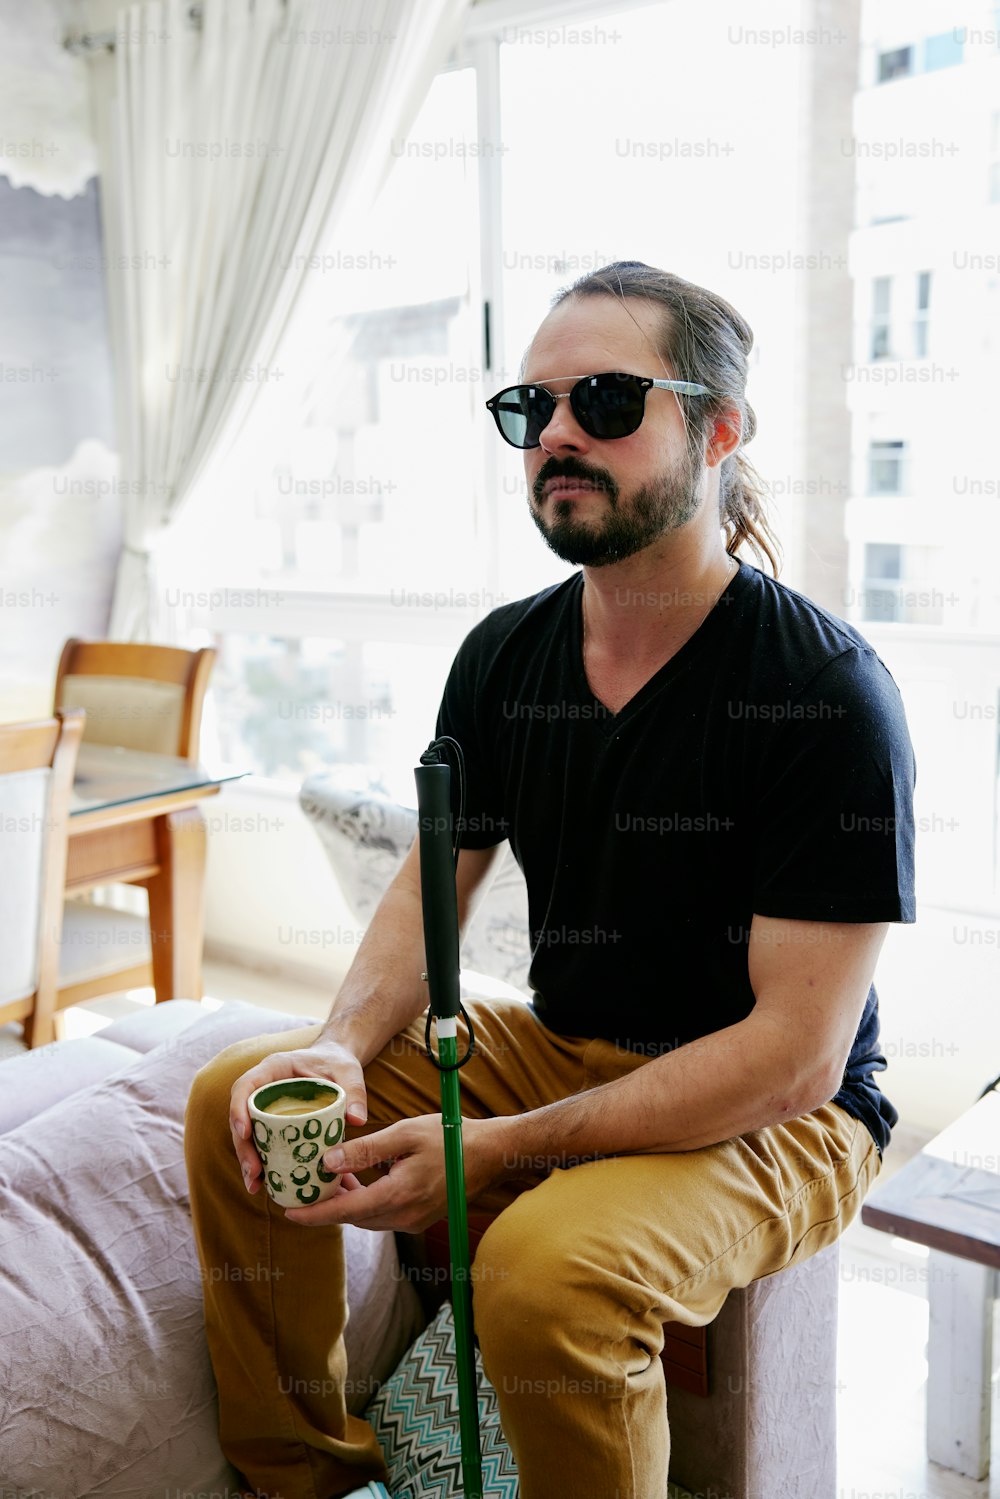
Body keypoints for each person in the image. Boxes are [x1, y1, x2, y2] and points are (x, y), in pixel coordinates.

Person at [185, 261, 916, 1499]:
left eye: (609, 402)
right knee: (233, 1103)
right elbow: (429, 891)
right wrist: (343, 1046)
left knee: (542, 1270)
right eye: (532, 409)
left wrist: (498, 1149)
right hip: (570, 1043)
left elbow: (794, 1051)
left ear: (720, 429)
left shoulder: (822, 691)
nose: (560, 435)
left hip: (787, 1111)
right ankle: (303, 1471)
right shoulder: (503, 654)